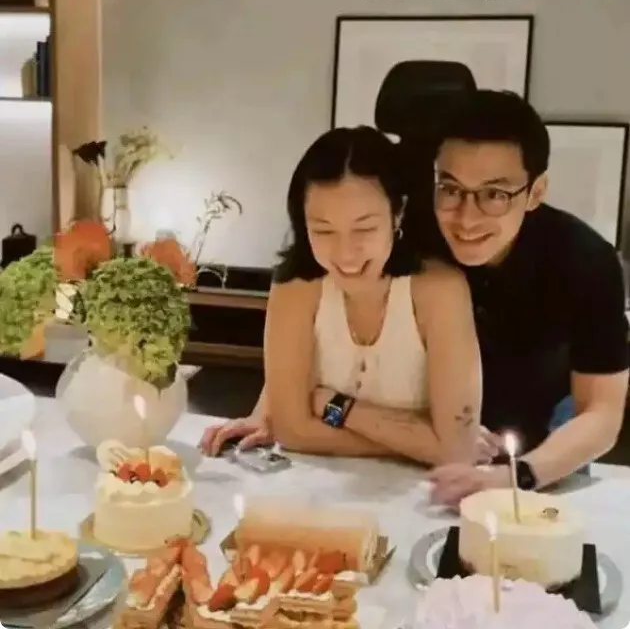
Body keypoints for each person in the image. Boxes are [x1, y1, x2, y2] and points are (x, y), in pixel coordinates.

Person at [200, 125, 483, 465]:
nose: (346, 255)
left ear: (398, 213)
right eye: (323, 231)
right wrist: (424, 443)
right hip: (314, 482)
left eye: (364, 228)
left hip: (427, 489)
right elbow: (292, 431)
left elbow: (455, 451)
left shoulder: (439, 291)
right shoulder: (296, 287)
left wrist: (334, 406)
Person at [427, 89, 629, 505]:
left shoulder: (584, 260)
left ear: (536, 192)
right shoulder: (412, 239)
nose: (466, 218)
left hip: (540, 460)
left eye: (495, 194)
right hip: (424, 451)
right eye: (450, 188)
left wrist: (516, 477)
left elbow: (602, 414)